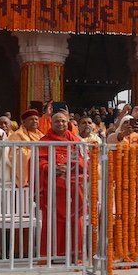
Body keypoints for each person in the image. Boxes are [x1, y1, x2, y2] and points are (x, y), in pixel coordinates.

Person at [36, 112, 85, 261]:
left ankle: (75, 254)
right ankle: (50, 255)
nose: (61, 124)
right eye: (57, 121)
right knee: (51, 221)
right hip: (54, 188)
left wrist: (71, 166)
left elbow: (85, 161)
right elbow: (39, 162)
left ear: (68, 122)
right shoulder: (44, 141)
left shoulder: (76, 140)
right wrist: (52, 168)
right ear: (51, 123)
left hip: (73, 187)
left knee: (75, 220)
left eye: (63, 121)